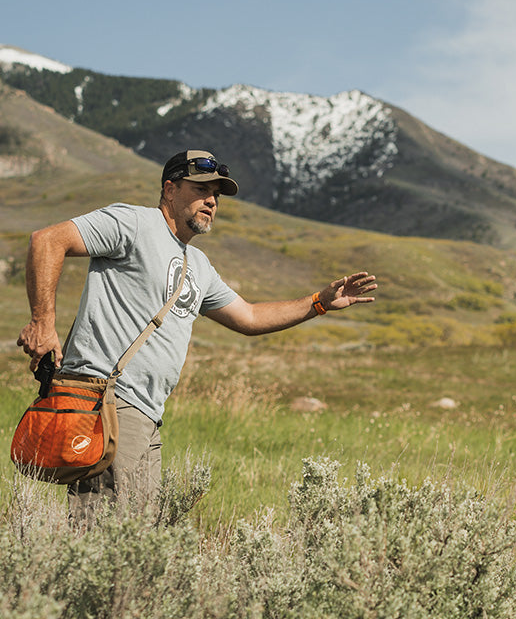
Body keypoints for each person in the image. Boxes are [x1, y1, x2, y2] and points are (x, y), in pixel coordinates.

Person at [16, 149, 378, 522]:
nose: (211, 201)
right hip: (108, 403)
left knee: (135, 544)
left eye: (217, 196)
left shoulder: (199, 266)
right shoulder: (135, 224)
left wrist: (318, 302)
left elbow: (250, 316)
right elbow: (47, 241)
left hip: (148, 416)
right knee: (102, 535)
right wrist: (43, 323)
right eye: (202, 189)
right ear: (170, 189)